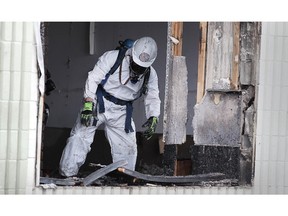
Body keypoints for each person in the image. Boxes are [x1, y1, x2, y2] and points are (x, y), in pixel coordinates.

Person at [59, 36, 161, 177]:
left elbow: (153, 96)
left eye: (142, 67)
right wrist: (88, 103)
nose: (138, 69)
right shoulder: (112, 58)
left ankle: (125, 178)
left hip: (122, 111)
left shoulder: (151, 74)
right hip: (99, 102)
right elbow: (93, 78)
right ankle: (67, 174)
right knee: (80, 136)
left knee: (128, 147)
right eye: (137, 64)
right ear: (131, 55)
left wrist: (153, 116)